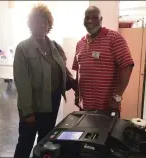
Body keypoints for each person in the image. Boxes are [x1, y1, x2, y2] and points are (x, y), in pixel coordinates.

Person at [13, 4, 69, 158]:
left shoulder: (55, 46)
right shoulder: (23, 48)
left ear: (49, 24)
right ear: (31, 24)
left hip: (52, 102)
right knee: (25, 141)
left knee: (45, 142)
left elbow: (62, 69)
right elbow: (22, 82)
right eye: (37, 21)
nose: (42, 25)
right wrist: (28, 111)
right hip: (33, 105)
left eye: (45, 21)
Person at [72, 6, 134, 117]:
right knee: (86, 134)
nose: (90, 21)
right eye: (87, 18)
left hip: (108, 107)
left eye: (94, 17)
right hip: (84, 107)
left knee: (108, 134)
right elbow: (78, 71)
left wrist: (117, 96)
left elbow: (127, 66)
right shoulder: (80, 43)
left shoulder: (114, 38)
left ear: (101, 20)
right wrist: (77, 94)